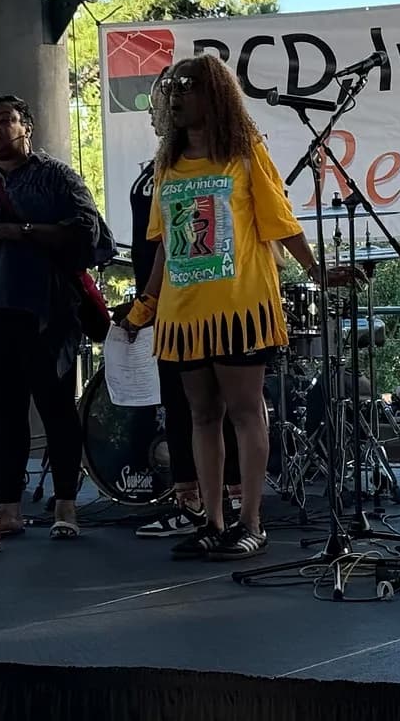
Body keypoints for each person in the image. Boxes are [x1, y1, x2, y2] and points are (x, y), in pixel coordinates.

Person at [121, 55, 361, 561]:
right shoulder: (167, 164)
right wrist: (146, 303)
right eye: (173, 90)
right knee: (202, 414)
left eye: (188, 89)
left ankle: (251, 521)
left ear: (215, 97)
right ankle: (212, 520)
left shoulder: (246, 154)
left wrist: (316, 271)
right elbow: (165, 244)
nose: (177, 98)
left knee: (247, 411)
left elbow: (280, 219)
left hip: (238, 309)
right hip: (185, 315)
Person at [0, 95, 114, 541]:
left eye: (5, 120)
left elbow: (87, 232)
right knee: (5, 413)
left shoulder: (57, 177)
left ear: (26, 127)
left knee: (57, 410)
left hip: (47, 314)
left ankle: (66, 506)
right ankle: (8, 508)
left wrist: (21, 231)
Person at [126, 71, 243, 543]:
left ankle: (231, 501)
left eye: (176, 95)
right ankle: (189, 499)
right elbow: (153, 245)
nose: (167, 106)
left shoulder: (224, 160)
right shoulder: (158, 167)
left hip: (214, 297)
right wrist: (144, 301)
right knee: (181, 404)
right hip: (169, 301)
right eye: (162, 100)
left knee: (226, 403)